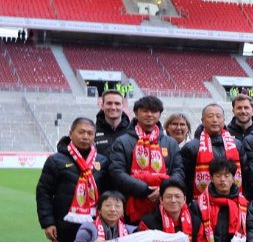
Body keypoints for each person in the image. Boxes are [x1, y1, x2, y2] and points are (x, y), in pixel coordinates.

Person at [108, 95, 184, 223]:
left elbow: (179, 172)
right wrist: (145, 190)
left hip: (164, 205)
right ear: (136, 113)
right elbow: (117, 173)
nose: (149, 115)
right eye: (145, 111)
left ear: (159, 114)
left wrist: (163, 190)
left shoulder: (170, 143)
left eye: (154, 111)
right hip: (131, 207)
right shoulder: (122, 141)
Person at [181, 103, 242, 198]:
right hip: (201, 201)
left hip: (233, 198)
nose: (215, 120)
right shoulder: (192, 147)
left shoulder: (237, 144)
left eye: (218, 116)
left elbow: (245, 175)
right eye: (210, 116)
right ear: (203, 120)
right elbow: (185, 179)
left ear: (224, 120)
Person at [92, 90, 132, 178]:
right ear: (102, 106)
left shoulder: (133, 132)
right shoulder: (92, 131)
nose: (113, 107)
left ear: (122, 106)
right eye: (109, 103)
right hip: (99, 185)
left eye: (117, 103)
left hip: (126, 184)